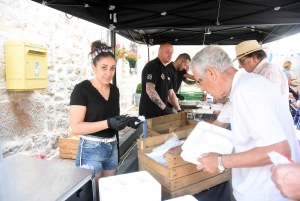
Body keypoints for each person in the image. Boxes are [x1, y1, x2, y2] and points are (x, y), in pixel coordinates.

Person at [190, 45, 300, 201]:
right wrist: (183, 146)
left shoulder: (246, 90)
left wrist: (221, 161)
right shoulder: (241, 86)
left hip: (266, 193)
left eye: (199, 81)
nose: (201, 88)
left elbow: (279, 150)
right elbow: (217, 125)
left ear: (211, 72)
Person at [69, 40, 141, 199]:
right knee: (93, 196)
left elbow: (112, 116)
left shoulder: (114, 90)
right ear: (94, 67)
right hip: (90, 149)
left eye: (112, 68)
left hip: (112, 147)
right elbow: (76, 127)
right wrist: (108, 123)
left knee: (109, 194)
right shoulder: (82, 90)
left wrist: (127, 121)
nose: (108, 73)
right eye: (104, 68)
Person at [139, 43, 182, 137]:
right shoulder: (152, 66)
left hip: (161, 115)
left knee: (160, 141)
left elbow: (170, 93)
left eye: (171, 52)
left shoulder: (166, 70)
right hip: (150, 114)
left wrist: (179, 109)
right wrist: (164, 107)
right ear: (159, 51)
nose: (170, 55)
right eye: (167, 52)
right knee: (150, 143)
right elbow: (150, 90)